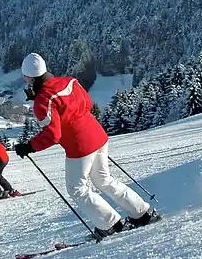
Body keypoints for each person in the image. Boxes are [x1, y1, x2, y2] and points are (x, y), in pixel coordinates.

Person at [13, 53, 158, 239]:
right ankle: (141, 213)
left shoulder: (43, 101)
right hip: (98, 135)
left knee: (77, 188)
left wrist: (28, 147)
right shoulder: (70, 81)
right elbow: (87, 104)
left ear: (29, 77)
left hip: (79, 146)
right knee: (104, 180)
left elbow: (52, 134)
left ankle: (110, 224)